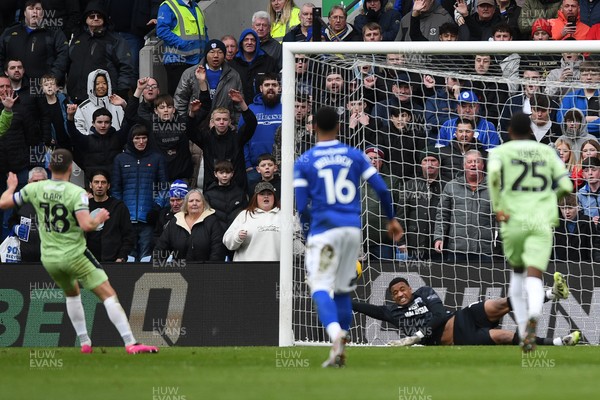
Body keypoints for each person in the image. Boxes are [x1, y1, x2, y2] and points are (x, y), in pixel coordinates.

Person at [0, 148, 158, 354]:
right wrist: (98, 218)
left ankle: (84, 342)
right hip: (74, 254)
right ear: (69, 168)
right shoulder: (77, 193)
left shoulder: (35, 189)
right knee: (108, 294)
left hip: (49, 257)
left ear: (49, 167)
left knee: (72, 294)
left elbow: (4, 203)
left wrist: (11, 187)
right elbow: (87, 225)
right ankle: (131, 343)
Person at [293, 106, 403, 367]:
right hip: (352, 230)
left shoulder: (305, 161)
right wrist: (391, 219)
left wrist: (311, 230)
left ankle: (336, 335)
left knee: (320, 286)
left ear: (314, 128)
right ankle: (339, 352)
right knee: (342, 290)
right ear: (339, 128)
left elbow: (300, 206)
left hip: (324, 231)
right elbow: (383, 190)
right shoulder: (354, 155)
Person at [488, 113, 573, 352]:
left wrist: (499, 207)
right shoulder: (547, 152)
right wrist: (547, 198)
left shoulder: (500, 152)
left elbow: (493, 177)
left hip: (514, 219)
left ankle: (525, 329)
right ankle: (534, 319)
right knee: (535, 277)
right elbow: (567, 185)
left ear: (509, 131)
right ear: (531, 130)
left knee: (517, 275)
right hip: (540, 220)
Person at [352, 276, 578, 346]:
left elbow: (440, 315)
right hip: (460, 336)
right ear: (392, 297)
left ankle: (550, 294)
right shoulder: (391, 313)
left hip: (462, 317)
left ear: (410, 289)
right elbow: (361, 307)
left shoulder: (424, 292)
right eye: (395, 293)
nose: (400, 294)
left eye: (402, 289)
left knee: (499, 303)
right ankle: (559, 342)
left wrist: (415, 337)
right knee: (504, 336)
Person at [112, 124, 168, 262]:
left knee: (146, 258)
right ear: (131, 139)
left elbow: (164, 187)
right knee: (128, 257)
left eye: (144, 138)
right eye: (137, 138)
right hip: (127, 219)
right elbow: (115, 188)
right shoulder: (120, 159)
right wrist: (120, 209)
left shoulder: (157, 158)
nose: (141, 141)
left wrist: (156, 207)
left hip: (148, 219)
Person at [67, 1, 135, 102]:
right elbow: (68, 64)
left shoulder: (115, 40)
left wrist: (122, 91)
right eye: (91, 16)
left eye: (99, 16)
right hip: (77, 97)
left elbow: (126, 67)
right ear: (85, 19)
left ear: (104, 18)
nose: (96, 18)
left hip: (106, 99)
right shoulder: (77, 38)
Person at [434, 150, 494, 262]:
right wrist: (438, 237)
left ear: (483, 165)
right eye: (469, 161)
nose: (473, 164)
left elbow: (500, 217)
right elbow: (442, 215)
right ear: (464, 165)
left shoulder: (494, 187)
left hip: (484, 249)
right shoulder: (451, 186)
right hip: (457, 249)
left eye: (476, 161)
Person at [223, 181, 301, 261]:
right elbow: (227, 240)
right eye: (262, 194)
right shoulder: (245, 215)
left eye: (269, 194)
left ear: (274, 197)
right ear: (255, 197)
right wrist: (237, 237)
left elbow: (300, 241)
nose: (266, 196)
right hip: (247, 268)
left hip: (278, 269)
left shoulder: (287, 216)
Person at [174, 40, 243, 123]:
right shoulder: (190, 73)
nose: (216, 55)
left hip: (223, 126)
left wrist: (235, 126)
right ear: (206, 55)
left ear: (224, 55)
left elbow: (238, 106)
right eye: (212, 52)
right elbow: (180, 100)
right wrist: (184, 124)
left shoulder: (233, 75)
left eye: (220, 52)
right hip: (196, 124)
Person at [0, 0, 69, 84]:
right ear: (25, 13)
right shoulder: (9, 32)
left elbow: (63, 56)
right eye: (31, 8)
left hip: (43, 88)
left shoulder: (54, 33)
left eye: (38, 9)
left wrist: (52, 78)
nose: (35, 12)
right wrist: (3, 78)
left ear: (43, 13)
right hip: (14, 87)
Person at [397, 151, 446, 261]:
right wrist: (401, 241)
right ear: (420, 164)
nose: (429, 164)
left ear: (439, 163)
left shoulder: (447, 186)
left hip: (440, 246)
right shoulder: (409, 185)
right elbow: (401, 215)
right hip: (414, 244)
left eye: (433, 160)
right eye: (426, 160)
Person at [154, 189, 226, 261]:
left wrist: (210, 271)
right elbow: (161, 249)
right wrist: (153, 270)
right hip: (179, 270)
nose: (194, 203)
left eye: (198, 201)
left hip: (204, 270)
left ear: (203, 204)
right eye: (191, 201)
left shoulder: (212, 222)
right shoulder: (175, 221)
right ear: (185, 205)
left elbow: (217, 252)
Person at [156, 0, 207, 96]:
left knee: (196, 97)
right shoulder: (168, 5)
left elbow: (204, 31)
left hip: (197, 60)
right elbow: (162, 30)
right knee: (178, 97)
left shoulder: (196, 6)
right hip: (178, 61)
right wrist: (183, 44)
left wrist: (207, 50)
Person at [242, 73, 282, 190]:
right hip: (255, 169)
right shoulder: (251, 109)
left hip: (281, 168)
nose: (270, 87)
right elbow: (242, 139)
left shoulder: (287, 108)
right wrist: (248, 165)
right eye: (267, 85)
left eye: (274, 85)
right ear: (261, 88)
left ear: (279, 88)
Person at [86, 169, 134, 263]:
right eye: (96, 182)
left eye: (103, 182)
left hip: (112, 262)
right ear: (91, 185)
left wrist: (121, 257)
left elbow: (128, 235)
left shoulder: (119, 207)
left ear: (108, 186)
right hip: (87, 262)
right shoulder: (83, 207)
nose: (99, 185)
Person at [6, 167, 47, 262]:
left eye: (42, 181)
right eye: (35, 181)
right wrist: (16, 228)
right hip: (27, 258)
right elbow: (11, 221)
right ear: (29, 182)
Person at [230, 29, 278, 105]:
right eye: (246, 40)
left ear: (257, 43)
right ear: (241, 43)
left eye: (253, 40)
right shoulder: (233, 64)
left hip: (263, 108)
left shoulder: (269, 62)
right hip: (239, 109)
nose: (249, 43)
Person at [74, 69, 126, 135]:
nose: (101, 86)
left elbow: (128, 122)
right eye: (97, 84)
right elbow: (78, 128)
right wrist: (89, 140)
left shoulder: (117, 103)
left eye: (104, 83)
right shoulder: (83, 107)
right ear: (91, 86)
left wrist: (124, 105)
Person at [203, 160, 247, 236]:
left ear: (232, 174)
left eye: (227, 172)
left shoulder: (240, 193)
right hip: (215, 234)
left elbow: (245, 213)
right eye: (221, 172)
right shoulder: (208, 194)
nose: (224, 175)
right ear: (215, 174)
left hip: (235, 233)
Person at [554, 193, 600, 262]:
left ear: (578, 207)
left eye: (570, 208)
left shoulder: (587, 222)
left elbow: (593, 246)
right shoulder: (556, 224)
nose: (567, 212)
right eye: (563, 208)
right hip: (561, 265)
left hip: (584, 264)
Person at [577, 156, 600, 220]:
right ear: (583, 175)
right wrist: (591, 220)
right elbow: (579, 217)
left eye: (594, 170)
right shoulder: (580, 194)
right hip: (590, 228)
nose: (590, 173)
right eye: (586, 171)